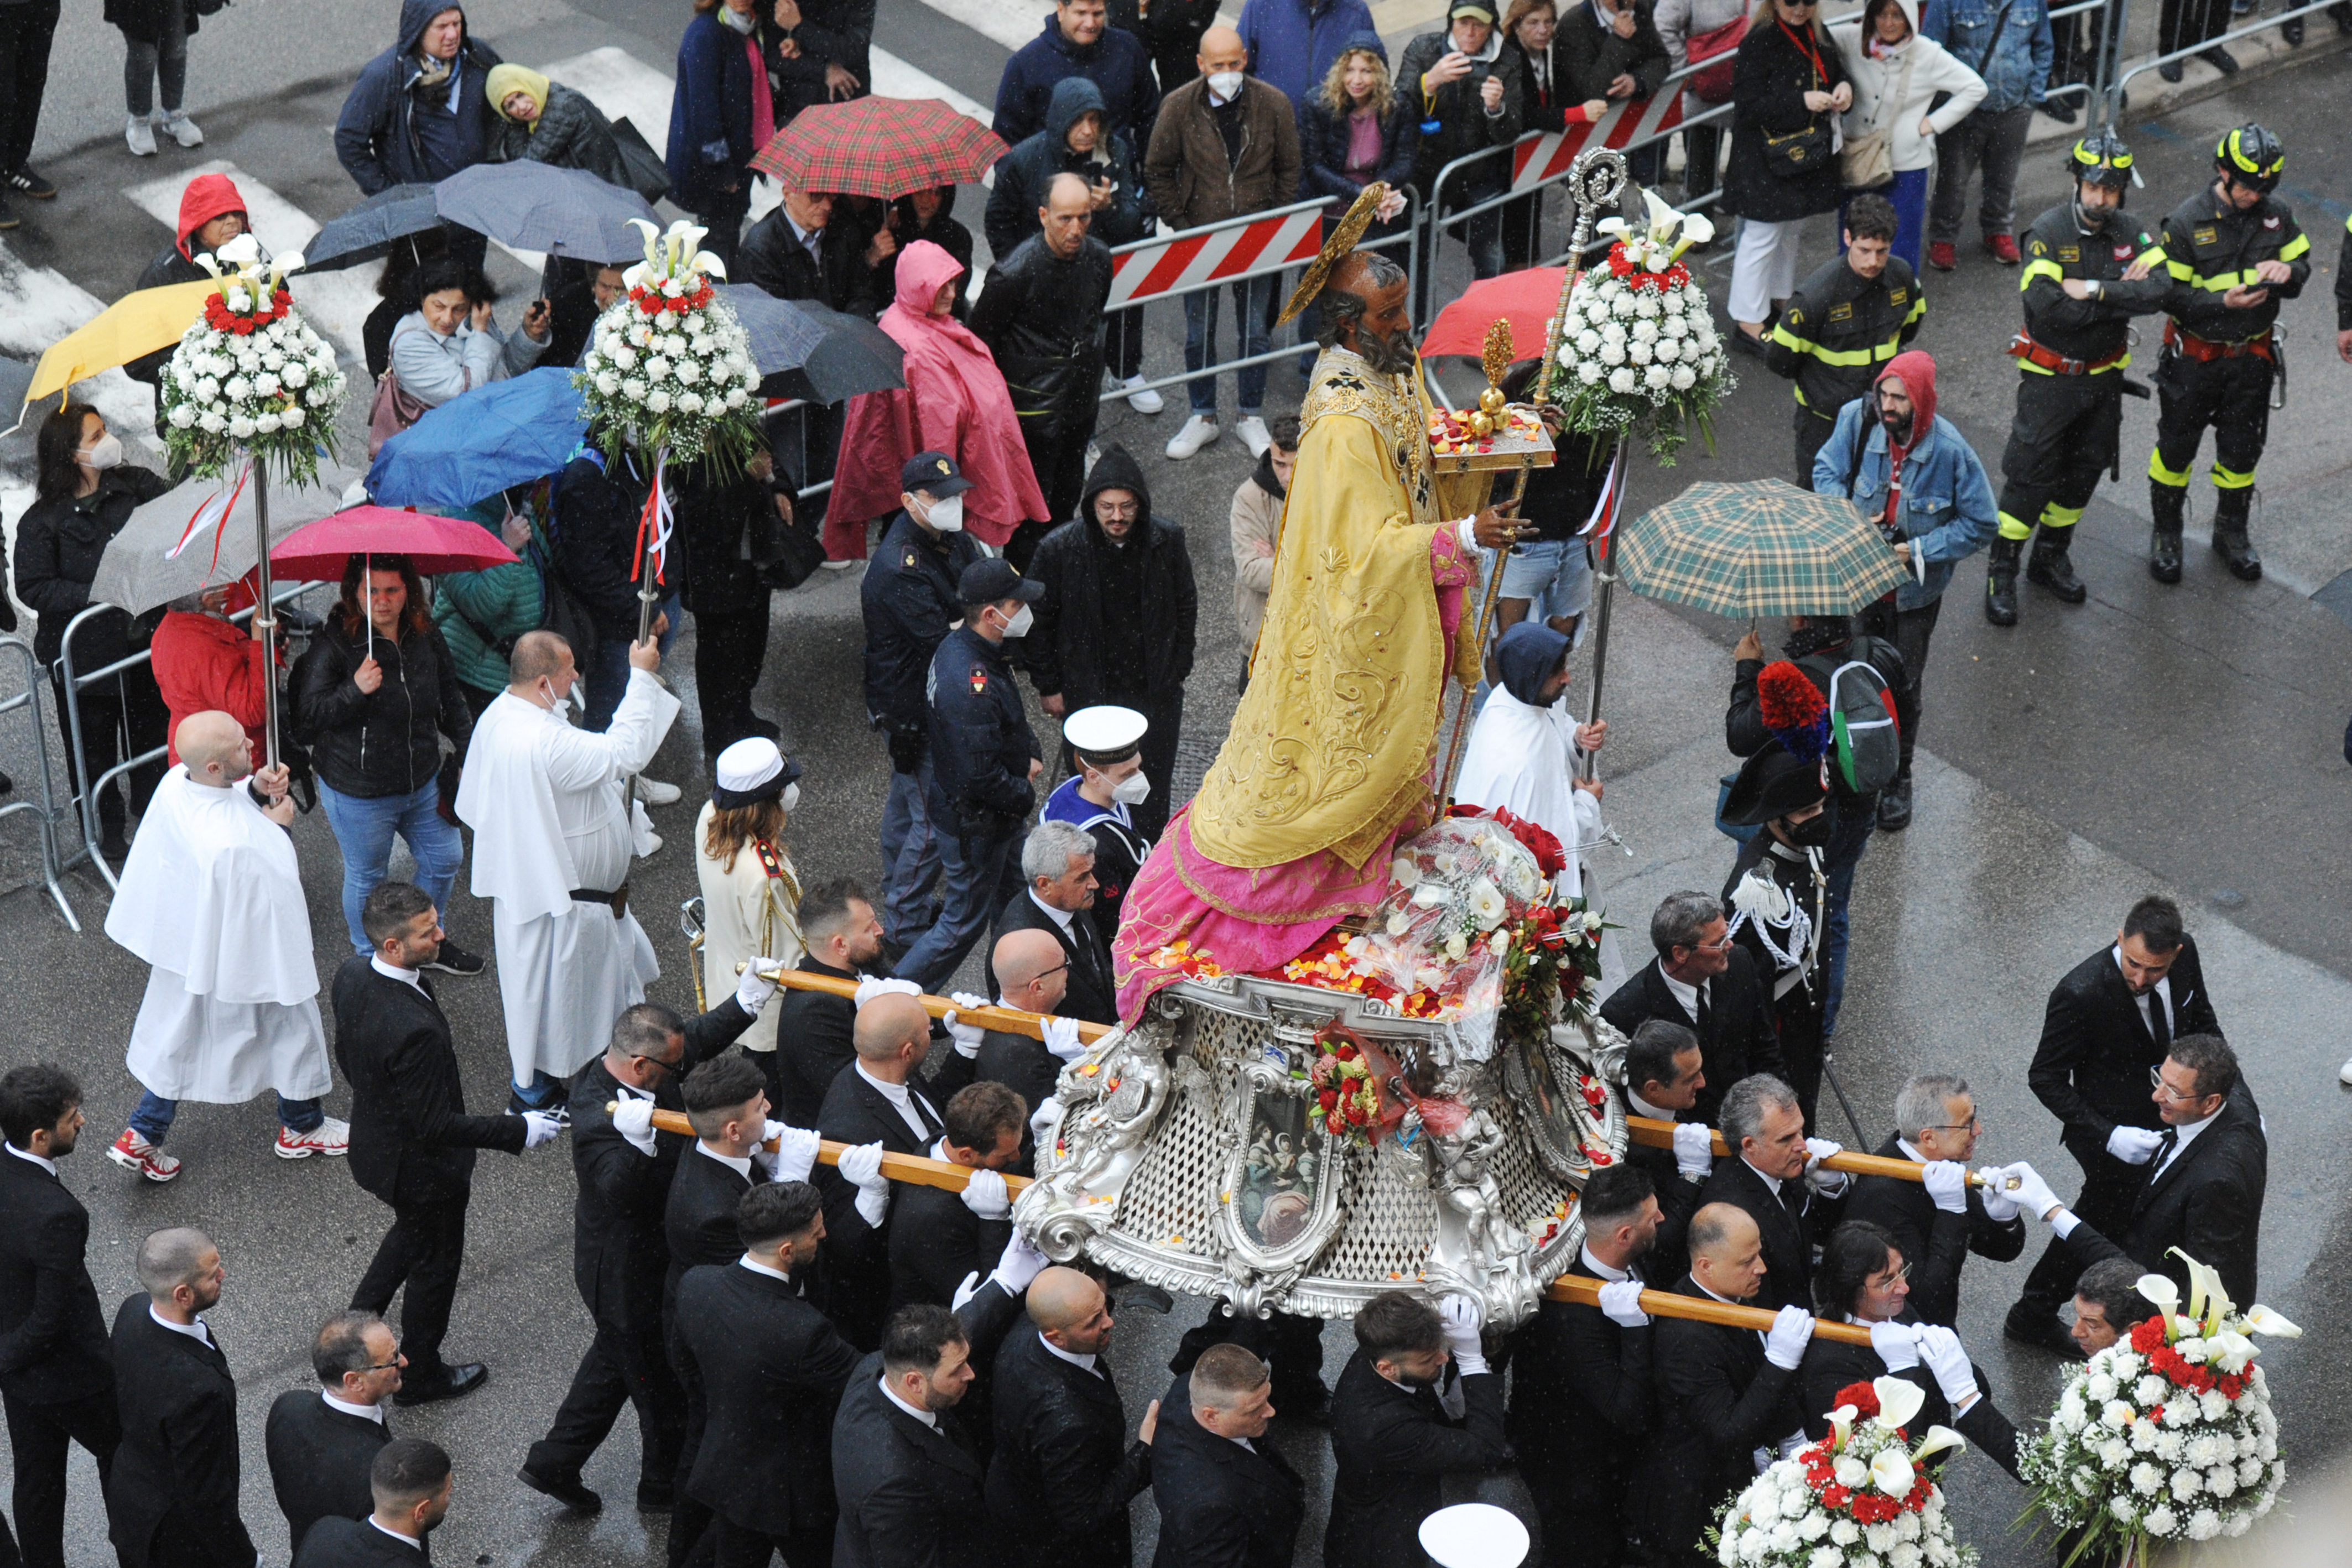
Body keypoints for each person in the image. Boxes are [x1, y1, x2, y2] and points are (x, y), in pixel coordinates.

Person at [1111, 245, 1518, 1018]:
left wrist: (1500, 435)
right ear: (1345, 324)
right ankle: (1322, 900)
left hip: (1396, 615)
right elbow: (1356, 555)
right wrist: (1459, 535)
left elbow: (1420, 462)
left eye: (1404, 310)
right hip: (1351, 630)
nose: (1408, 326)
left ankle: (1374, 866)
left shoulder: (1390, 368)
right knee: (1338, 770)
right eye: (1390, 316)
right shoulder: (1336, 423)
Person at [523, 988, 770, 1516]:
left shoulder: (640, 1063)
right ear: (639, 1065)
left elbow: (688, 1042)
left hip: (643, 1258)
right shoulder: (596, 1114)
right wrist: (638, 1146)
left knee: (618, 1359)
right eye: (671, 1068)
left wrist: (745, 1004)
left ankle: (554, 1459)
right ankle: (659, 1489)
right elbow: (617, 1191)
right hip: (622, 1269)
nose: (682, 1073)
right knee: (657, 1384)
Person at [335, 882, 561, 1403]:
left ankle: (356, 1323)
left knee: (411, 1232)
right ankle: (421, 1374)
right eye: (427, 931)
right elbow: (437, 1125)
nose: (442, 935)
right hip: (424, 1171)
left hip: (377, 1148)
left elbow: (346, 1052)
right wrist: (518, 1130)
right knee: (435, 1267)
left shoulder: (352, 974)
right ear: (392, 946)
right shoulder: (415, 1029)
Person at [102, 711, 338, 1180]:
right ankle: (302, 1126)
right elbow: (269, 881)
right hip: (245, 951)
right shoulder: (231, 844)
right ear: (213, 768)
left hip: (192, 943)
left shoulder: (176, 782)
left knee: (180, 1035)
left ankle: (144, 1132)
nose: (251, 747)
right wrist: (280, 828)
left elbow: (226, 808)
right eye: (238, 748)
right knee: (294, 1026)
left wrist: (252, 790)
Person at [456, 630, 679, 1113]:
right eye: (567, 670)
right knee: (566, 1001)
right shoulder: (545, 741)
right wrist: (640, 677)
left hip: (541, 885)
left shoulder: (503, 712)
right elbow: (624, 753)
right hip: (567, 899)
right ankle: (547, 1092)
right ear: (541, 682)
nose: (576, 676)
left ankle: (545, 1082)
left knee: (544, 994)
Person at [2007, 894, 2220, 1354]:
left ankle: (2132, 1310)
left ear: (2177, 953)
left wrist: (2228, 1094)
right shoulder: (2080, 992)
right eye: (2134, 963)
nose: (2141, 978)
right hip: (2109, 1133)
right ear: (2120, 937)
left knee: (2146, 1218)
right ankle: (2034, 1312)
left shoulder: (2187, 957)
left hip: (2170, 1118)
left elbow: (2202, 1023)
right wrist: (2108, 1134)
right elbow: (2044, 1076)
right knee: (2095, 1223)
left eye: (2156, 970)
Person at [1809, 349, 1997, 830]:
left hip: (1914, 596)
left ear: (1922, 402)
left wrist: (1916, 550)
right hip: (1860, 583)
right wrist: (1850, 515)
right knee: (1850, 674)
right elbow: (1825, 471)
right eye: (1884, 394)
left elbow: (1982, 524)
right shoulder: (1858, 418)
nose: (1887, 406)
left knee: (1903, 686)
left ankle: (1897, 779)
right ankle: (1851, 763)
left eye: (1899, 398)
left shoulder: (1951, 451)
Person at [1987, 132, 2171, 621]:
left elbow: (2160, 289)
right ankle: (2003, 567)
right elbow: (2048, 307)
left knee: (2085, 469)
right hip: (2052, 382)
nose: (2101, 199)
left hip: (2104, 382)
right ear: (2077, 180)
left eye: (2111, 190)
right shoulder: (2048, 232)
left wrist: (2093, 290)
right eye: (2094, 187)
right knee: (2029, 474)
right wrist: (2117, 300)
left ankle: (2050, 555)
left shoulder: (2130, 230)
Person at [292, 554, 478, 969]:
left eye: (392, 590)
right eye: (371, 590)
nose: (382, 601)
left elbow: (450, 698)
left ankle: (426, 941)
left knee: (445, 857)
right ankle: (372, 959)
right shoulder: (334, 644)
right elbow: (307, 720)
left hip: (422, 778)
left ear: (408, 590)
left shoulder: (425, 635)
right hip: (359, 789)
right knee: (367, 875)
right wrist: (355, 690)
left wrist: (470, 754)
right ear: (354, 593)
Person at [1724, 622, 1906, 1041]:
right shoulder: (1878, 652)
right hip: (1859, 809)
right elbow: (1906, 719)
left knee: (1768, 911)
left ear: (1803, 620)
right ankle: (1821, 1030)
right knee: (1833, 912)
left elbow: (1741, 735)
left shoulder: (1797, 678)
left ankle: (1772, 1023)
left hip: (1802, 818)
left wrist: (1748, 669)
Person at [2142, 123, 2308, 584]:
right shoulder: (2185, 223)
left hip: (2252, 359)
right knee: (2175, 451)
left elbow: (2303, 267)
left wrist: (2288, 272)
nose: (2256, 197)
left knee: (2241, 452)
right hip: (2195, 360)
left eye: (2264, 188)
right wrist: (2221, 303)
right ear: (2223, 171)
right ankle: (2167, 534)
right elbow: (2168, 295)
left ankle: (2231, 533)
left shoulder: (2278, 215)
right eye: (2248, 187)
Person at [672, 1180, 862, 1568]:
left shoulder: (696, 1285)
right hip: (796, 1490)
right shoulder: (802, 1329)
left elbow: (687, 1364)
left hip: (730, 1466)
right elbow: (865, 1382)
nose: (824, 1234)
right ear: (787, 1250)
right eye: (816, 1232)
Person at [2017, 1034, 2267, 1326]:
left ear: (2211, 1103)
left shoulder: (2217, 1184)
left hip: (2174, 1321)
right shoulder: (2230, 1096)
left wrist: (2050, 1209)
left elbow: (2209, 1294)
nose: (2156, 1096)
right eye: (2158, 1079)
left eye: (2173, 1091)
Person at [15, 403, 171, 861]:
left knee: (152, 742)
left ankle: (157, 819)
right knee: (93, 753)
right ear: (70, 454)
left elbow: (176, 510)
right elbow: (34, 587)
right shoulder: (42, 520)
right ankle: (106, 837)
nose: (108, 440)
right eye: (95, 435)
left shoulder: (135, 485)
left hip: (143, 646)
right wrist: (97, 591)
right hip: (87, 660)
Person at [830, 242, 1051, 562]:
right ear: (917, 288)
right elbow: (938, 420)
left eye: (952, 283)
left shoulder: (919, 320)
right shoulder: (912, 343)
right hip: (929, 479)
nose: (950, 293)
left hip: (924, 477)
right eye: (939, 286)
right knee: (924, 552)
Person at [1144, 25, 1303, 461]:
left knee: (1255, 333)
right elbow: (1157, 169)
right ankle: (1203, 415)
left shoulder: (1273, 104)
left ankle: (1250, 414)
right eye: (1219, 66)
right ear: (1201, 65)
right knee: (1200, 334)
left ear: (1246, 59)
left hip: (1258, 239)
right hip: (1201, 239)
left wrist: (1273, 222)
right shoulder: (1178, 107)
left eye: (1235, 63)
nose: (1228, 73)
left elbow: (1290, 167)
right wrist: (1180, 223)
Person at [1023, 444, 1197, 837]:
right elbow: (1039, 623)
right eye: (1107, 507)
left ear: (1140, 505)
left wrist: (1178, 667)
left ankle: (1147, 860)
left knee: (1150, 789)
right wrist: (1049, 686)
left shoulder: (1166, 541)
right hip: (1090, 694)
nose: (1117, 517)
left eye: (1126, 506)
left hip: (1152, 691)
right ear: (1092, 506)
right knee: (1095, 789)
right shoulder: (1059, 550)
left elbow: (1186, 604)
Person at [896, 560, 1047, 992]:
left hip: (989, 817)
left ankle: (1012, 989)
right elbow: (977, 775)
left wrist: (1029, 750)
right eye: (1017, 604)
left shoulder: (971, 650)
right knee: (962, 923)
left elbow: (1007, 720)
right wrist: (1024, 792)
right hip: (980, 822)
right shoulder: (969, 678)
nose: (1024, 613)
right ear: (990, 614)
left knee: (1017, 904)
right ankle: (890, 997)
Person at [1507, 1164, 1659, 1568]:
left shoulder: (1619, 1254)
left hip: (1597, 1458)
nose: (1661, 1219)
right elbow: (1627, 1410)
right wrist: (1636, 1331)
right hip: (1576, 1474)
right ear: (1624, 1236)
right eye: (1652, 1217)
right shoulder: (1572, 1319)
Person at [862, 455, 983, 954]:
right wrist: (967, 620)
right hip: (913, 710)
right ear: (909, 501)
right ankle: (905, 925)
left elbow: (978, 594)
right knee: (931, 824)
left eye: (954, 493)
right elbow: (950, 640)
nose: (952, 504)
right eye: (939, 497)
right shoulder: (899, 566)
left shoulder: (951, 539)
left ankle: (898, 897)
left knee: (906, 811)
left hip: (924, 701)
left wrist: (965, 620)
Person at [1649, 1204, 1813, 1568]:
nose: (1762, 1268)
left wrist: (1792, 1434)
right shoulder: (1686, 1338)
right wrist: (1780, 1363)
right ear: (1706, 1265)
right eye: (1747, 1260)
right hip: (1700, 1507)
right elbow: (1726, 1432)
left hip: (1742, 1478)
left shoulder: (1737, 1286)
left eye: (1759, 1254)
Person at [831, 1283, 1039, 1568]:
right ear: (914, 1382)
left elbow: (949, 1341)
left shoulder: (875, 1368)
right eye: (957, 1371)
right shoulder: (896, 1488)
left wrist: (1005, 1285)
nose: (971, 1374)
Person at [0, 1065, 117, 1568]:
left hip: (19, 1376)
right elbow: (53, 1317)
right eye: (73, 1118)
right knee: (124, 1458)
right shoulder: (58, 1215)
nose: (83, 1123)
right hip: (72, 1376)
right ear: (41, 1136)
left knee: (38, 1482)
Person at [1794, 1222, 2021, 1476]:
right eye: (1887, 1281)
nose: (1904, 1287)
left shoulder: (1895, 1312)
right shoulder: (1828, 1364)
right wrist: (1904, 1372)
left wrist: (1958, 1367)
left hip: (1929, 1464)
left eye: (1902, 1272)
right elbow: (1878, 1461)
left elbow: (1979, 1390)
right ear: (1851, 1289)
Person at [816, 992, 980, 1335]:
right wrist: (870, 1200)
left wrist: (964, 1052)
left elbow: (931, 1116)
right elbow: (840, 1246)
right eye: (927, 1031)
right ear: (908, 1051)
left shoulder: (886, 1070)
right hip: (905, 1295)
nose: (932, 1033)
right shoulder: (847, 1130)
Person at [971, 172, 1116, 555]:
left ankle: (1056, 580)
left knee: (1066, 498)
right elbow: (982, 340)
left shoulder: (1099, 258)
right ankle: (1022, 587)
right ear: (1042, 215)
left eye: (1084, 217)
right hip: (1030, 410)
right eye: (1065, 218)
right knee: (1027, 511)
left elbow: (1094, 314)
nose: (1076, 229)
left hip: (1079, 401)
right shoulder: (1014, 273)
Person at [1324, 1291, 1511, 1568]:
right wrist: (1472, 1364)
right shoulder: (1384, 1428)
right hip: (1383, 1546)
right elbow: (1488, 1451)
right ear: (1387, 1369)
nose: (1443, 1359)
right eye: (1427, 1360)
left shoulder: (1382, 1344)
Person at [987, 1267, 1157, 1568]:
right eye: (1094, 1322)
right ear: (1057, 1337)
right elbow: (1083, 1516)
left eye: (1104, 1305)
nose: (1110, 1322)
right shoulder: (1071, 1423)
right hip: (1059, 1543)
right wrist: (1145, 1452)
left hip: (1016, 1489)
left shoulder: (1030, 1328)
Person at [108, 1227, 255, 1568]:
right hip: (177, 1541)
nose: (223, 1275)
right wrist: (245, 1558)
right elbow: (205, 1496)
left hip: (133, 1503)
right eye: (211, 1274)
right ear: (183, 1295)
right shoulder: (200, 1392)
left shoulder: (133, 1311)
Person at [1763, 192, 1924, 482]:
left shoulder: (1903, 278)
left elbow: (1909, 328)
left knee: (1874, 493)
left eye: (1882, 251)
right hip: (1825, 425)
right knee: (1817, 502)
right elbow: (1780, 361)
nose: (1873, 261)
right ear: (1848, 238)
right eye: (1865, 250)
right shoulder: (1815, 297)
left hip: (1879, 418)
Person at [1842, 1072, 2025, 1327]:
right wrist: (1950, 1213)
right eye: (1968, 1123)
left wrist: (2005, 1219)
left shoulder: (1941, 1163)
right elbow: (1928, 1299)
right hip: (1902, 1338)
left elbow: (2001, 1249)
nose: (1979, 1130)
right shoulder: (1881, 1196)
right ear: (1929, 1138)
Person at [1721, 0, 1853, 353]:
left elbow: (1836, 73)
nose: (1799, 8)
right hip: (1767, 158)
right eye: (1791, 1)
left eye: (1808, 1)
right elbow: (1748, 107)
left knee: (1790, 230)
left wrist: (1844, 90)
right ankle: (1748, 320)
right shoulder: (1760, 40)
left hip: (1796, 155)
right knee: (1762, 236)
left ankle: (1779, 299)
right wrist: (1801, 101)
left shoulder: (1817, 33)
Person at [1715, 747, 1835, 1122]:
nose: (1817, 819)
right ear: (1776, 817)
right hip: (1781, 1034)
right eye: (1806, 812)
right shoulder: (1755, 891)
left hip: (1806, 1024)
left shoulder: (1803, 848)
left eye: (1820, 806)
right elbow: (1750, 992)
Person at [1600, 890, 1787, 1128]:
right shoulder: (1625, 1013)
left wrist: (1782, 1113)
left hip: (1754, 1126)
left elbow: (1765, 1049)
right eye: (1718, 943)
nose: (1729, 945)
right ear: (1680, 954)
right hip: (1688, 1141)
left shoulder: (1740, 964)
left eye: (1726, 934)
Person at [1828, 0, 1984, 277]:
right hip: (1858, 162)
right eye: (1882, 14)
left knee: (1901, 245)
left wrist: (1931, 124)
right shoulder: (1851, 40)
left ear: (1910, 17)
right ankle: (1851, 304)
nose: (1889, 23)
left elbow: (1975, 88)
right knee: (1854, 242)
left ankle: (1901, 305)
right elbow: (1814, 37)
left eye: (1897, 15)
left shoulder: (1927, 53)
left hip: (1907, 168)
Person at [1451, 622, 1607, 895]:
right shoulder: (1521, 764)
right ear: (1533, 676)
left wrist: (1577, 739)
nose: (1567, 678)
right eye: (1557, 672)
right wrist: (1588, 801)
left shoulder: (1513, 697)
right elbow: (1558, 848)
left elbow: (1556, 723)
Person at [1481, 360, 1611, 648]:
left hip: (1574, 535)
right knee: (1507, 641)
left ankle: (1548, 691)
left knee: (1562, 634)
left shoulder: (1598, 385)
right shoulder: (1522, 385)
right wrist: (1534, 439)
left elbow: (1605, 454)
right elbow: (1489, 464)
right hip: (1523, 542)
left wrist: (1595, 512)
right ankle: (1504, 694)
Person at [1698, 1073, 1849, 1311]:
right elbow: (1754, 1298)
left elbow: (1819, 1232)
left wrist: (1831, 1187)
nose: (1802, 1145)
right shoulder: (1732, 1212)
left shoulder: (1780, 1167)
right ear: (1750, 1145)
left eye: (1801, 1131)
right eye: (1787, 1138)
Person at [1919, 0, 2051, 272]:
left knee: (2004, 177)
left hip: (2015, 107)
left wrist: (2032, 97)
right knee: (1953, 180)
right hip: (1964, 113)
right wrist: (1947, 106)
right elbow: (1930, 53)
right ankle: (1943, 239)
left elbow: (2043, 46)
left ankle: (1998, 231)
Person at [694, 737, 804, 1060]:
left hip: (726, 974)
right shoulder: (764, 876)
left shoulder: (709, 816)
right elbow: (787, 957)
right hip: (770, 1014)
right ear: (767, 800)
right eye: (783, 787)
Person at [1400, 1, 1523, 287]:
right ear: (1450, 23)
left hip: (1479, 175)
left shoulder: (1507, 59)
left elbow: (1511, 131)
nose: (1469, 32)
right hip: (1427, 175)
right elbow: (1397, 111)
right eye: (1462, 23)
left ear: (1491, 25)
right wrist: (1428, 83)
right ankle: (1417, 327)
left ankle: (1486, 324)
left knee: (1492, 260)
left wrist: (1497, 109)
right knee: (1416, 261)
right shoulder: (1424, 50)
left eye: (1478, 24)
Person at [1149, 1343, 1306, 1568]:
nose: (1270, 1411)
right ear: (1211, 1416)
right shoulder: (1209, 1509)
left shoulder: (1187, 1390)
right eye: (1254, 1410)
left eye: (1267, 1398)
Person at [672, 456, 786, 756]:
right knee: (720, 650)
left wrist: (779, 486)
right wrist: (749, 479)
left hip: (754, 561)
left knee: (751, 643)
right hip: (714, 570)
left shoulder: (741, 428)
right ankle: (719, 731)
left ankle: (741, 711)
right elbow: (708, 513)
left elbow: (768, 459)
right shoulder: (688, 452)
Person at [335, 3, 504, 197]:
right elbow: (348, 140)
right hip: (426, 210)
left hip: (482, 194)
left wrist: (498, 162)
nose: (452, 35)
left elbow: (509, 104)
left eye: (456, 23)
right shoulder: (385, 76)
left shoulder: (477, 56)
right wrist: (389, 194)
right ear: (419, 29)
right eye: (442, 27)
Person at [264, 1312, 401, 1553]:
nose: (405, 1362)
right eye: (394, 1359)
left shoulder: (287, 1407)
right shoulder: (377, 1471)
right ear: (355, 1381)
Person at [665, 0, 785, 271]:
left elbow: (754, 85)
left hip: (742, 156)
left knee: (728, 234)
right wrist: (722, 172)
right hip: (717, 168)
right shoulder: (705, 34)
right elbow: (704, 111)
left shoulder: (747, 28)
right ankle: (717, 302)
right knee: (717, 244)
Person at [887, 1081, 1027, 1309]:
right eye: (1007, 1154)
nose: (1016, 1157)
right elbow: (984, 1299)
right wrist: (994, 1221)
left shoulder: (949, 1141)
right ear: (966, 1155)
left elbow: (1009, 1167)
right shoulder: (931, 1221)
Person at [984, 77, 1147, 263]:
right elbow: (999, 223)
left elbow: (1130, 221)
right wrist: (1018, 269)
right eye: (1078, 121)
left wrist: (1109, 207)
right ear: (1062, 121)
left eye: (1093, 120)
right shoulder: (1023, 160)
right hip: (1040, 268)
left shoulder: (1114, 150)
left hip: (1095, 267)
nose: (1088, 131)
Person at [771, 881, 890, 1124]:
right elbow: (859, 1094)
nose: (880, 930)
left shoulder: (866, 957)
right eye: (869, 928)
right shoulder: (812, 1014)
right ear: (841, 946)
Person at [1498, 3, 1606, 267]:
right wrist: (1577, 114)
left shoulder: (1538, 53)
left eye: (1548, 22)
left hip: (1530, 152)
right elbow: (1524, 114)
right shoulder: (1510, 57)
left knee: (1527, 220)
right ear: (1516, 25)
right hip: (1509, 157)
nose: (1543, 30)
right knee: (1516, 231)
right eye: (1533, 23)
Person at [123, 173, 249, 395]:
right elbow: (136, 360)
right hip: (189, 401)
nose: (233, 222)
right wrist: (197, 365)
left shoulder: (250, 251)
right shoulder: (162, 276)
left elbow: (279, 297)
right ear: (198, 224)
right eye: (220, 216)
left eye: (236, 213)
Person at [971, 928, 1090, 1162]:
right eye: (1063, 965)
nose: (1068, 971)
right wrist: (1080, 1066)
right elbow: (1068, 1126)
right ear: (1037, 988)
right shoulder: (1016, 1056)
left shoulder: (1028, 1020)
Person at [384, 257, 551, 419]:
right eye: (439, 307)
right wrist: (479, 333)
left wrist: (529, 334)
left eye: (459, 308)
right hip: (449, 437)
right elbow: (469, 394)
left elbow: (506, 370)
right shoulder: (409, 345)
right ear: (422, 299)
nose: (448, 319)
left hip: (499, 417)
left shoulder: (475, 317)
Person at [1040, 705, 1156, 933]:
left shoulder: (1069, 790)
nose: (1138, 778)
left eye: (1137, 768)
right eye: (1128, 774)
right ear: (1094, 776)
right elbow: (1112, 914)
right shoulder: (1097, 844)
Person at [1302, 36, 1422, 248]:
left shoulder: (1398, 105)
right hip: (1331, 214)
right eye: (1350, 70)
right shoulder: (1317, 104)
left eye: (1367, 71)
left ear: (1380, 74)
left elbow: (1406, 160)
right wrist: (1360, 194)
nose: (1357, 80)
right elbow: (1314, 166)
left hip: (1377, 213)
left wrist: (1379, 189)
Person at [994, 820, 1118, 1025]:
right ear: (1045, 884)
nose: (1094, 884)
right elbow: (1016, 1021)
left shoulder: (1071, 900)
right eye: (1082, 877)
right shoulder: (1017, 942)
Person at [993, 0, 1160, 149]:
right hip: (1053, 178)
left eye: (1098, 14)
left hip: (1117, 176)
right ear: (1061, 11)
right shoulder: (1026, 64)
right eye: (1081, 13)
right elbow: (1007, 139)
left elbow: (1150, 118)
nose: (1090, 23)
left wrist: (1145, 176)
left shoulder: (1127, 49)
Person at [1612, 1021, 1713, 1264]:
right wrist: (1693, 1177)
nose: (1702, 1083)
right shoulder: (1622, 1152)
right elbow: (1657, 1244)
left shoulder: (1682, 1097)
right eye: (1691, 1079)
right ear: (1654, 1089)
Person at [150, 583, 269, 768]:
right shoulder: (204, 649)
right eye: (222, 586)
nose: (228, 589)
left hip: (197, 755)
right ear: (208, 599)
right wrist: (261, 643)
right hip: (228, 765)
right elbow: (253, 710)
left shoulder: (169, 627)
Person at [1554, 0, 1673, 186]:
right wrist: (1619, 39)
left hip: (1637, 129)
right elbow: (1592, 90)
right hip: (1588, 139)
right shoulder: (1574, 23)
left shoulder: (1640, 10)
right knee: (1598, 206)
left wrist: (1638, 81)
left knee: (1649, 191)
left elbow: (1661, 59)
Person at [737, 183, 889, 320]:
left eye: (831, 194)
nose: (828, 205)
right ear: (789, 194)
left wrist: (851, 332)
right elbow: (770, 320)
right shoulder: (761, 249)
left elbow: (861, 292)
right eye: (816, 196)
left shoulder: (842, 228)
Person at [1656, 0, 1746, 209]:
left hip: (1749, 91)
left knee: (1746, 170)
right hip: (1704, 94)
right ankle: (1698, 232)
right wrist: (1688, 72)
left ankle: (1737, 221)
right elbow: (1662, 27)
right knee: (1701, 170)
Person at [484, 61, 629, 186]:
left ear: (530, 85)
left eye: (521, 95)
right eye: (510, 105)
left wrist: (515, 124)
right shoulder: (538, 108)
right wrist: (515, 123)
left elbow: (528, 166)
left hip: (608, 188)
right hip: (589, 187)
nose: (521, 107)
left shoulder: (561, 107)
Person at [1227, 415, 1297, 670]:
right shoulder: (1249, 498)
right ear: (1270, 453)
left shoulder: (1328, 492)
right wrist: (1310, 565)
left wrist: (1276, 557)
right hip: (1262, 638)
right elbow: (1251, 571)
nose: (1288, 476)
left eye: (1295, 465)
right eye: (1280, 464)